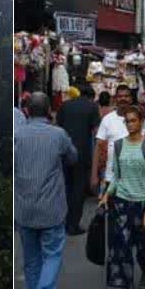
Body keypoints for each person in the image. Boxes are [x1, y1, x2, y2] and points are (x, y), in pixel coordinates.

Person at [14, 93, 78, 289]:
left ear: (27, 111)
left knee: (31, 258)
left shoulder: (17, 136)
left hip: (24, 207)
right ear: (49, 110)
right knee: (52, 254)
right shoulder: (58, 134)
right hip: (51, 207)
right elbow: (73, 157)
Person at [99, 105, 145, 289]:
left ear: (141, 122)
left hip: (141, 204)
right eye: (128, 121)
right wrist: (107, 194)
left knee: (142, 246)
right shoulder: (119, 146)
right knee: (122, 246)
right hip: (122, 203)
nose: (131, 124)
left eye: (134, 120)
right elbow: (117, 176)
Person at [55, 84, 101, 235]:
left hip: (64, 152)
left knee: (65, 187)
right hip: (82, 154)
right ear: (91, 96)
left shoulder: (65, 105)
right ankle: (73, 224)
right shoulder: (93, 107)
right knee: (78, 189)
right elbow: (96, 133)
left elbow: (57, 127)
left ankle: (62, 221)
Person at [92, 84, 145, 193]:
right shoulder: (107, 120)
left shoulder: (139, 120)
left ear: (131, 99)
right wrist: (94, 175)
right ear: (115, 99)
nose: (123, 99)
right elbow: (98, 148)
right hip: (111, 178)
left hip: (135, 179)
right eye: (120, 96)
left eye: (126, 96)